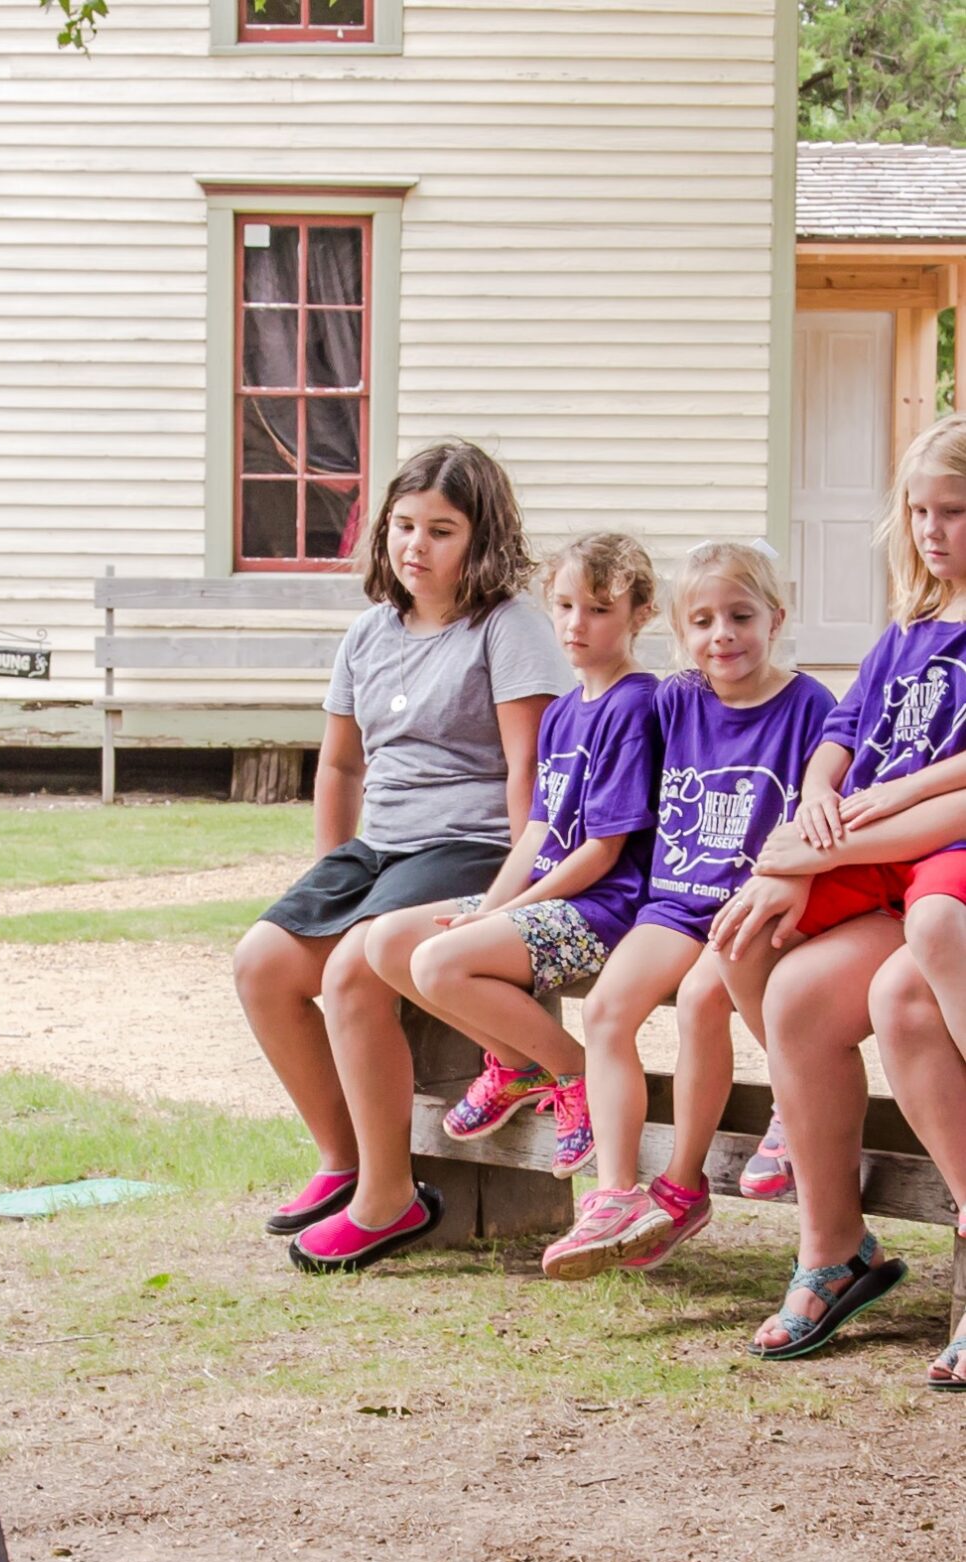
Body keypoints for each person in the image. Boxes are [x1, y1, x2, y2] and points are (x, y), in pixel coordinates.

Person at [233, 441, 566, 1274]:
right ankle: (344, 1162)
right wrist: (332, 871)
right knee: (262, 965)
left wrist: (512, 892)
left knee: (352, 971)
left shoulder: (508, 630)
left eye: (442, 529)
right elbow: (342, 765)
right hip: (377, 848)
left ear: (481, 538)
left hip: (470, 844)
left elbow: (531, 770)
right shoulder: (369, 633)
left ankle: (391, 1200)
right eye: (404, 525)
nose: (416, 545)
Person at [712, 413, 966, 1362]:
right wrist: (819, 799)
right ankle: (834, 1246)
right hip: (873, 852)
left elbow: (952, 798)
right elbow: (845, 733)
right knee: (751, 945)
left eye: (955, 511)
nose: (933, 531)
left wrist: (829, 845)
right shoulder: (908, 628)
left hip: (934, 861)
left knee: (903, 989)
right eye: (919, 511)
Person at [538, 540, 834, 1278]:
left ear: (777, 617)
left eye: (740, 616)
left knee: (705, 997)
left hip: (756, 906)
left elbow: (824, 809)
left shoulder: (808, 706)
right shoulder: (675, 701)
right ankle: (614, 1195)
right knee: (606, 1011)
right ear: (678, 631)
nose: (721, 635)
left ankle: (690, 1180)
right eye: (701, 621)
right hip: (672, 902)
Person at [365, 533, 662, 1217]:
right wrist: (492, 905)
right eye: (563, 606)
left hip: (603, 910)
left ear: (640, 613)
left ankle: (574, 1073)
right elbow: (538, 830)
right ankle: (517, 1066)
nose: (575, 625)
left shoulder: (634, 706)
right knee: (388, 944)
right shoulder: (563, 711)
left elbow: (604, 852)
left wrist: (505, 913)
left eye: (598, 609)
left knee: (439, 966)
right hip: (545, 900)